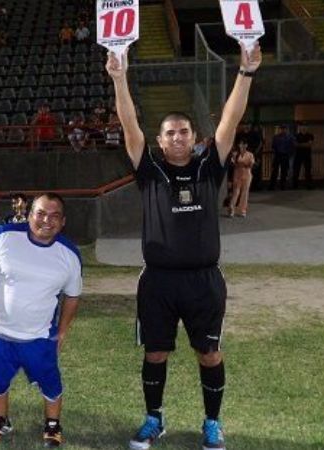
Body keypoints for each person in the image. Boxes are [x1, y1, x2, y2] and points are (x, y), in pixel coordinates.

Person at [107, 42, 261, 450]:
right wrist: (119, 78)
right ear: (159, 141)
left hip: (203, 281)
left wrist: (246, 72)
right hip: (158, 281)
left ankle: (212, 423)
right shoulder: (150, 171)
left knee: (209, 353)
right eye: (170, 133)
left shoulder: (209, 168)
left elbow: (230, 119)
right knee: (155, 353)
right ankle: (153, 419)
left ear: (195, 138)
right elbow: (129, 125)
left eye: (184, 132)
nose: (177, 137)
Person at [0, 193, 82, 448]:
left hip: (39, 336)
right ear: (29, 215)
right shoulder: (4, 236)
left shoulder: (69, 255)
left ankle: (52, 425)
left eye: (54, 216)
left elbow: (73, 296)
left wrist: (63, 330)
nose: (46, 221)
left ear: (63, 222)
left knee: (50, 381)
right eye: (40, 213)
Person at [228, 140, 255, 218]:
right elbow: (233, 164)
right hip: (237, 175)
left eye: (244, 144)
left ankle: (242, 210)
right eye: (241, 144)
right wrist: (239, 164)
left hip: (247, 175)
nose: (242, 145)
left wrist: (243, 164)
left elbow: (250, 165)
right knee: (236, 192)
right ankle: (231, 209)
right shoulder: (235, 154)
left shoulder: (250, 154)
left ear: (246, 145)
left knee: (245, 193)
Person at [268, 125, 295, 191]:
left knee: (284, 171)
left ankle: (282, 186)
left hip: (285, 155)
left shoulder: (290, 137)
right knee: (275, 171)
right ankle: (272, 186)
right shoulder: (276, 137)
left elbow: (292, 146)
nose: (283, 130)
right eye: (282, 129)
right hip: (277, 155)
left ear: (286, 129)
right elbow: (273, 146)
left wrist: (289, 154)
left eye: (284, 129)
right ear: (280, 129)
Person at [292, 124, 315, 190]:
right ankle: (295, 186)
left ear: (307, 128)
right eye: (302, 127)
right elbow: (295, 144)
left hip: (307, 155)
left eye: (305, 127)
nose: (303, 128)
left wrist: (300, 144)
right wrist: (305, 144)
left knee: (308, 171)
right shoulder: (296, 135)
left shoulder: (310, 135)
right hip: (298, 155)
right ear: (300, 128)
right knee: (296, 171)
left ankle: (309, 185)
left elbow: (310, 144)